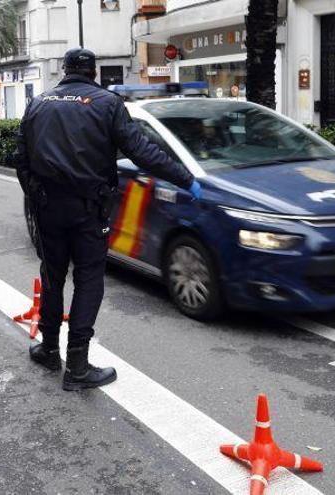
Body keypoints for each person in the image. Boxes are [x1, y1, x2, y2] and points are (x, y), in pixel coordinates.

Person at [14, 48, 202, 392]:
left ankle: (49, 350)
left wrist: (37, 195)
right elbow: (143, 151)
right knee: (89, 280)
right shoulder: (107, 104)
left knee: (52, 276)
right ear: (93, 73)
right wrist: (185, 179)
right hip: (88, 209)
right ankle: (78, 366)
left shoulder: (38, 103)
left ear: (64, 70)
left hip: (48, 209)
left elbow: (20, 159)